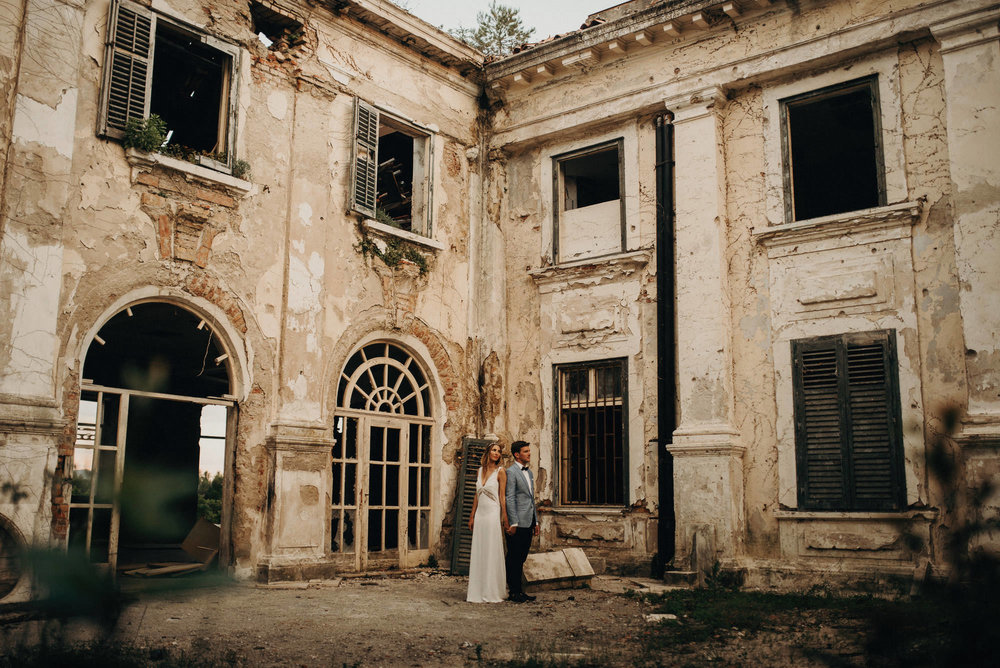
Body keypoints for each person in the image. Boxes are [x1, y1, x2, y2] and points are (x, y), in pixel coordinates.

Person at [466, 441, 508, 603]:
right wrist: (472, 516)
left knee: (490, 549)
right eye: (494, 450)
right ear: (488, 452)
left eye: (499, 451)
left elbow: (502, 496)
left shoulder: (501, 472)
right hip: (480, 514)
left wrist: (505, 517)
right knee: (479, 549)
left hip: (492, 513)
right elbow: (477, 494)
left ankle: (492, 591)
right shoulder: (479, 471)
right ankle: (477, 591)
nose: (497, 453)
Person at [505, 440, 538, 603]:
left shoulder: (529, 473)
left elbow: (532, 499)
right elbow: (509, 498)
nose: (529, 453)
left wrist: (536, 522)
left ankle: (519, 591)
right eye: (526, 451)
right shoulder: (511, 472)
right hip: (517, 522)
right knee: (514, 557)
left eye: (529, 451)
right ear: (517, 455)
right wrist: (513, 522)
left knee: (522, 557)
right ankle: (513, 591)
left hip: (529, 520)